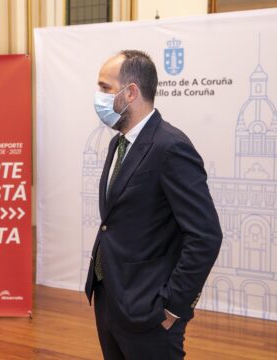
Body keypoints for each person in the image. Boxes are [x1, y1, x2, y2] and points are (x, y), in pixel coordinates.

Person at [85, 50, 222, 359]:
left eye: (105, 88)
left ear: (131, 92)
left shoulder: (171, 147)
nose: (98, 96)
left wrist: (174, 305)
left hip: (149, 311)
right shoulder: (117, 143)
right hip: (111, 299)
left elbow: (205, 235)